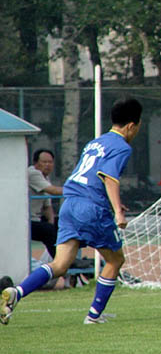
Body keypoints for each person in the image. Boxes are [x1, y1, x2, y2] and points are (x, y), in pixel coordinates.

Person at [1, 98, 143, 325]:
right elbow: (109, 177)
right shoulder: (121, 147)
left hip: (70, 204)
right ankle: (93, 316)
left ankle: (16, 292)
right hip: (91, 208)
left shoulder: (95, 143)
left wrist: (112, 201)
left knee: (60, 265)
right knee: (115, 260)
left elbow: (91, 176)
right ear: (131, 126)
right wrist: (118, 211)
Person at [28, 149, 64, 259]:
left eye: (50, 162)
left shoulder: (45, 178)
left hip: (37, 219)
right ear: (36, 163)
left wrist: (52, 224)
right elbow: (53, 191)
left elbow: (47, 207)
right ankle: (61, 260)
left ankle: (68, 257)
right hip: (26, 221)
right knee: (47, 230)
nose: (48, 165)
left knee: (65, 222)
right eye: (44, 162)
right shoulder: (33, 173)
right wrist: (78, 190)